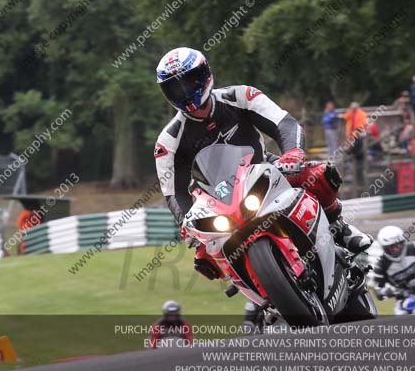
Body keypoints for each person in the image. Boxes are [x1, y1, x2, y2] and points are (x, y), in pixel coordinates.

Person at [154, 47, 372, 281]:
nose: (184, 91)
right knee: (204, 260)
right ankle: (261, 299)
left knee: (320, 174)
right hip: (217, 200)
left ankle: (339, 227)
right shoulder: (168, 141)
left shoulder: (240, 96)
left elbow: (284, 123)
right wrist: (186, 222)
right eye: (175, 87)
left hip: (264, 170)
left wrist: (293, 153)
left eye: (188, 82)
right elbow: (173, 193)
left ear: (204, 74)